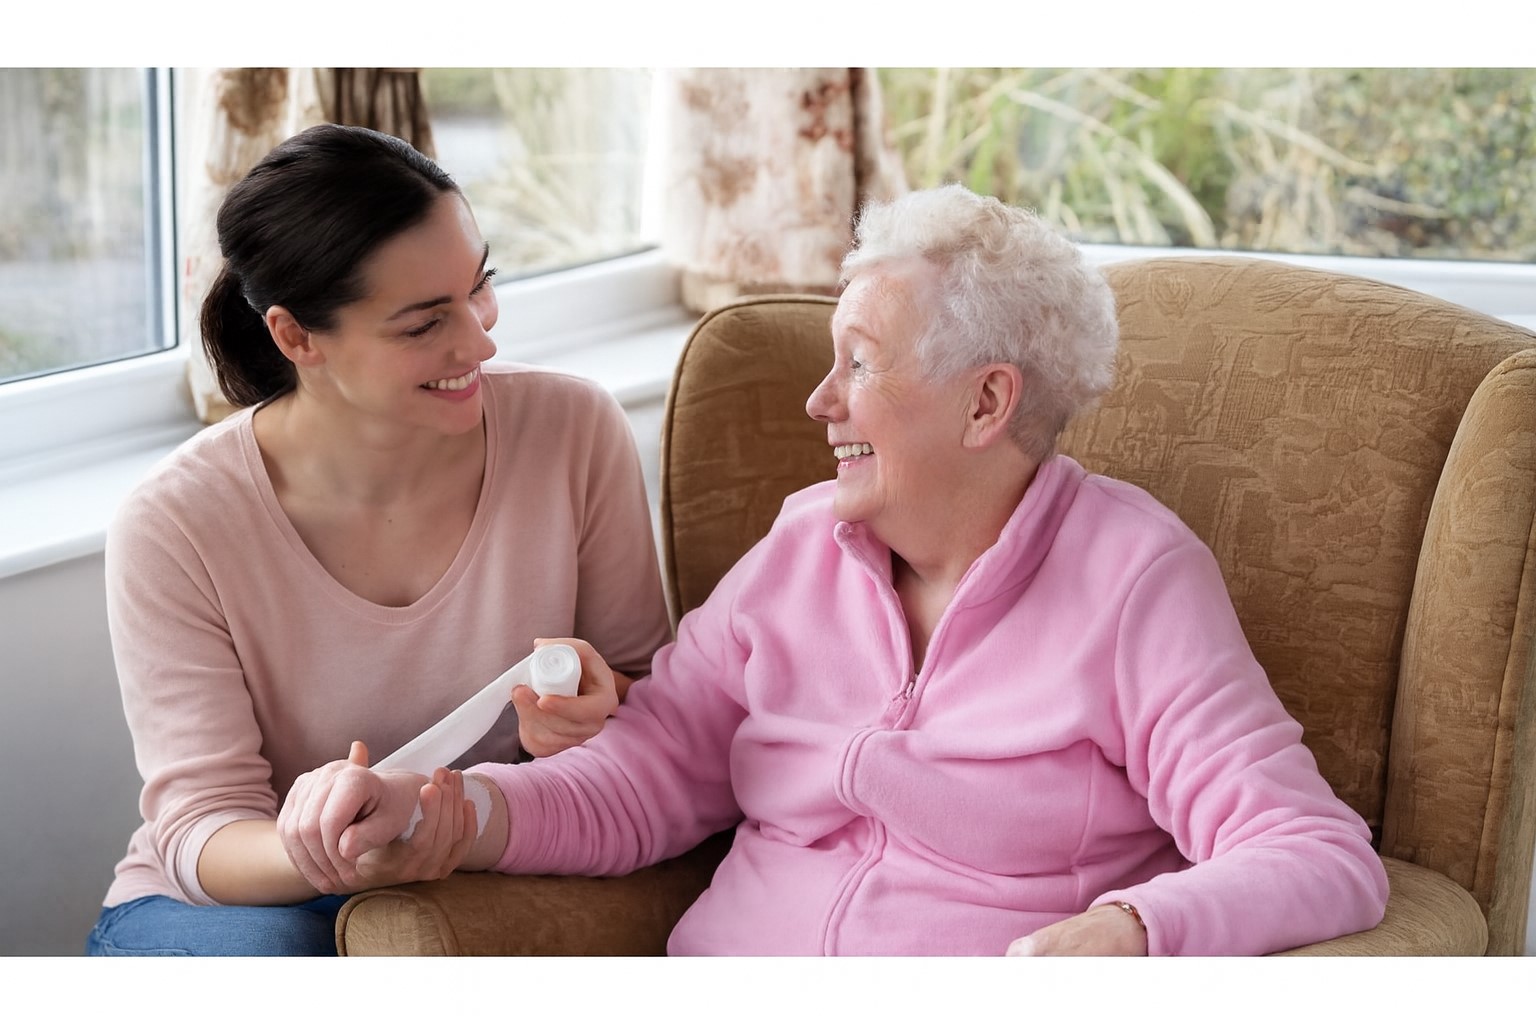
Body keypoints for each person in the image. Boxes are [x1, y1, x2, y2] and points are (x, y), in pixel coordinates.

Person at [288, 183, 1390, 955]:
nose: (820, 403)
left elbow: (1315, 851)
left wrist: (1132, 930)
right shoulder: (800, 547)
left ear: (987, 402)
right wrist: (446, 813)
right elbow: (645, 774)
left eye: (858, 365)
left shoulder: (1132, 579)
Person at [86, 124, 672, 957]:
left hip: (484, 860)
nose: (480, 341)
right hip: (238, 903)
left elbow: (656, 705)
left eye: (480, 287)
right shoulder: (176, 523)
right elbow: (202, 830)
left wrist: (593, 709)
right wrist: (333, 847)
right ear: (296, 337)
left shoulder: (573, 429)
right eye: (424, 324)